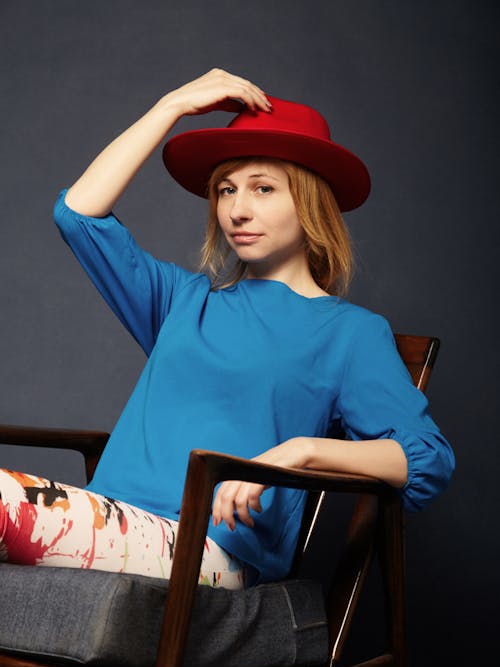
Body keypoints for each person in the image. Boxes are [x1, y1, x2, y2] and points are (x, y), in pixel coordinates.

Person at [0, 69, 455, 588]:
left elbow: (427, 458)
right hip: (111, 519)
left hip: (213, 550)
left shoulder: (349, 333)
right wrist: (170, 105)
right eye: (225, 189)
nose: (238, 210)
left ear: (310, 205)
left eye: (263, 189)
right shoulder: (183, 301)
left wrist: (299, 450)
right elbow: (78, 215)